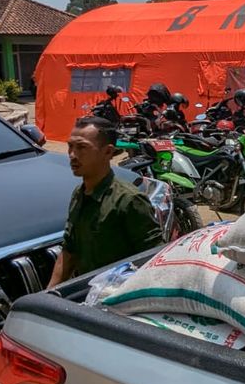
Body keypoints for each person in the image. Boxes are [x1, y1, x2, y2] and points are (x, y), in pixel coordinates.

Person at [48, 116, 163, 288]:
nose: (72, 155)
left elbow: (153, 259)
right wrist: (49, 294)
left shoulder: (129, 200)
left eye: (82, 147)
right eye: (70, 147)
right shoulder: (79, 194)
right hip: (88, 295)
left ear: (108, 152)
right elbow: (69, 250)